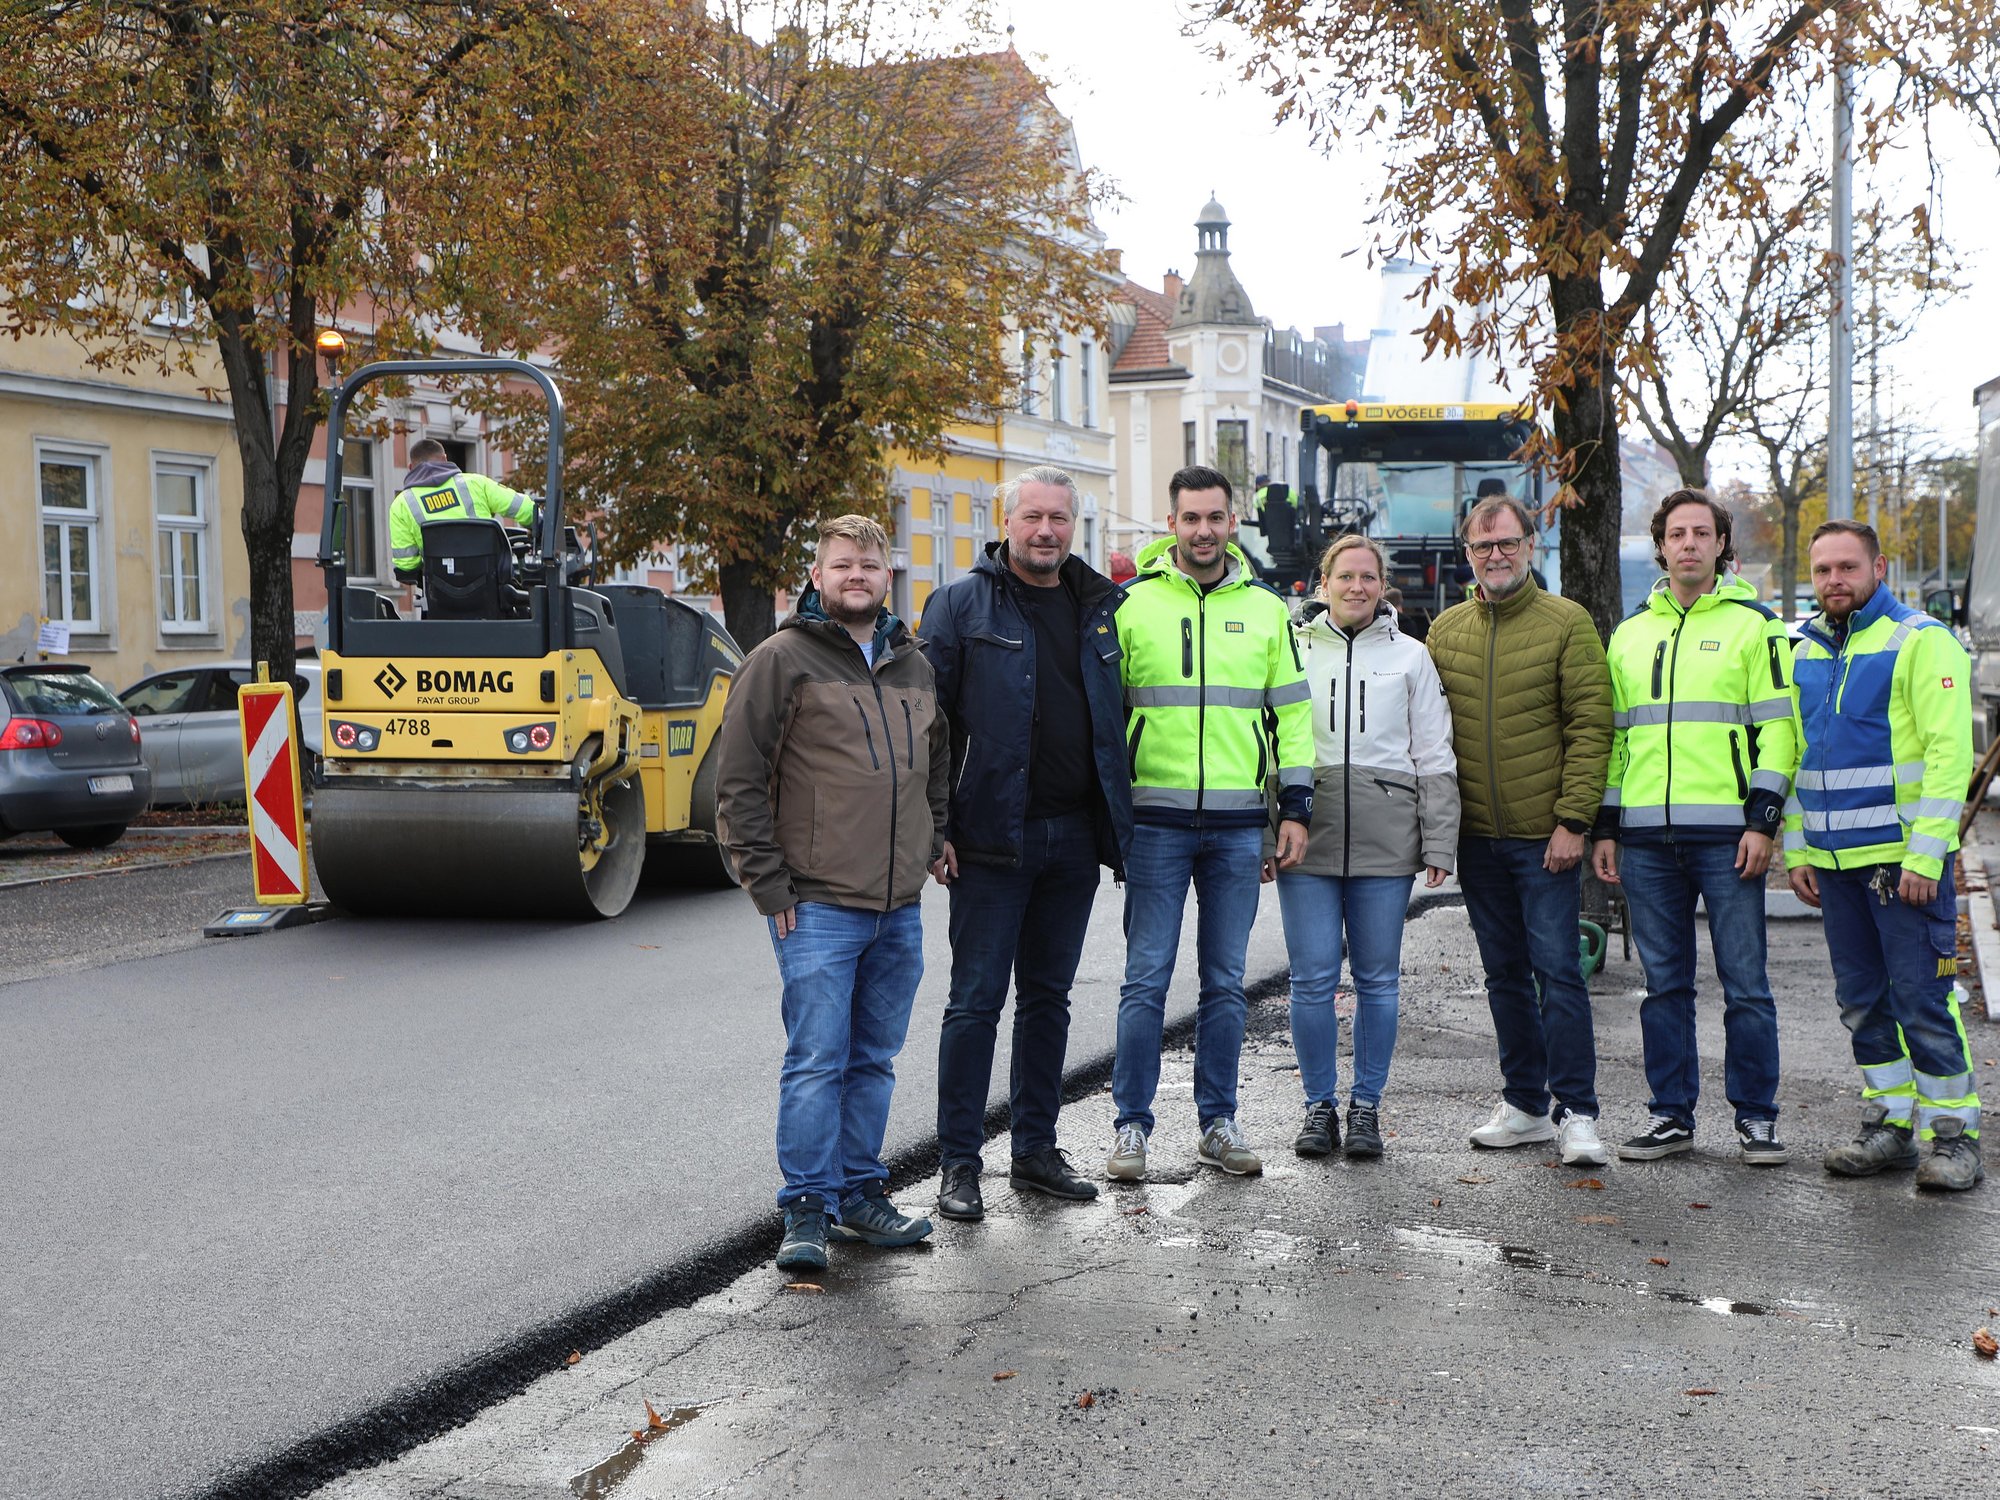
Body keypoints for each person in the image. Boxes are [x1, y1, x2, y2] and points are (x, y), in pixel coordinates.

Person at [714, 514, 951, 1270]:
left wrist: (932, 838)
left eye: (870, 566)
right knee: (818, 1058)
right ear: (816, 577)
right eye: (842, 565)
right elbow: (739, 781)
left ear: (888, 578)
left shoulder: (913, 665)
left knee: (874, 1058)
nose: (858, 576)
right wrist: (767, 882)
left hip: (898, 906)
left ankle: (857, 1194)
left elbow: (935, 767)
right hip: (814, 903)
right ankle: (807, 1210)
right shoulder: (780, 661)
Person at [920, 466, 1134, 1222]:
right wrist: (935, 826)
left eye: (1059, 519)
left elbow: (1120, 719)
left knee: (1048, 999)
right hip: (987, 840)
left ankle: (1035, 1152)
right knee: (975, 1003)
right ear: (1006, 522)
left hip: (1073, 837)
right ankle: (958, 1165)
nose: (1046, 530)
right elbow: (929, 726)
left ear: (1074, 528)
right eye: (1033, 517)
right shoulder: (957, 605)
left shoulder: (1099, 607)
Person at [1106, 465, 1314, 1181]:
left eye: (1215, 517)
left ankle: (1218, 1123)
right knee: (1145, 980)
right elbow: (1106, 724)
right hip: (1153, 826)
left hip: (1235, 830)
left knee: (1225, 984)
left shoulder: (1264, 610)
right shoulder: (1130, 606)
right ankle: (1130, 1128)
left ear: (1233, 522)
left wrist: (1295, 808)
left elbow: (1291, 714)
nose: (1203, 530)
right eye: (1190, 517)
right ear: (1172, 523)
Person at [1592, 491, 1797, 1165]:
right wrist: (1607, 828)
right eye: (1676, 533)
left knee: (1745, 983)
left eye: (1699, 533)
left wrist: (1764, 821)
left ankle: (1757, 1118)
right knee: (1664, 986)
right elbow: (1617, 743)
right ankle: (1670, 1115)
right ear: (1661, 546)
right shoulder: (1630, 634)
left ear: (1719, 545)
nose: (1687, 544)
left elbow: (1778, 730)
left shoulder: (1755, 626)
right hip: (1647, 841)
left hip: (1729, 837)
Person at [1785, 518, 1981, 1190]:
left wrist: (1927, 856)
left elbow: (1952, 756)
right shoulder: (1805, 649)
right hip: (1837, 868)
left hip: (1904, 867)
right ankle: (1891, 1125)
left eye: (1847, 567)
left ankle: (1953, 1138)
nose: (1834, 581)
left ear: (1879, 568)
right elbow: (1797, 755)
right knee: (1863, 1002)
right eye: (1822, 571)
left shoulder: (1922, 642)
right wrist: (1797, 846)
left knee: (1925, 999)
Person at [1427, 494, 1614, 1167]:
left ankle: (1578, 1113)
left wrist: (1573, 821)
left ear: (1532, 546)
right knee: (1503, 975)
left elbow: (1592, 727)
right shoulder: (1445, 631)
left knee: (1559, 972)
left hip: (1546, 840)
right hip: (1477, 839)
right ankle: (1527, 1106)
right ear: (1468, 553)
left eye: (1507, 542)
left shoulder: (1567, 623)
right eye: (1483, 546)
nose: (1496, 555)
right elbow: (1428, 737)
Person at [1272, 534, 1458, 1160]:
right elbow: (1267, 741)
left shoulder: (1411, 656)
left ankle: (1366, 1108)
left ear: (1383, 587)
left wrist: (1438, 839)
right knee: (1312, 978)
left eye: (1368, 578)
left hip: (1387, 835)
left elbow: (1434, 752)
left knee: (1378, 980)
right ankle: (1318, 1106)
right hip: (1307, 832)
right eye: (1344, 576)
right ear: (1321, 585)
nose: (1356, 587)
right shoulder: (1293, 650)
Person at [387, 438, 537, 578]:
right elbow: (527, 510)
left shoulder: (401, 504)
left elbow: (406, 565)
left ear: (410, 468)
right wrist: (539, 527)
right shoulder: (476, 483)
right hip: (491, 589)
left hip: (440, 598)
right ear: (445, 459)